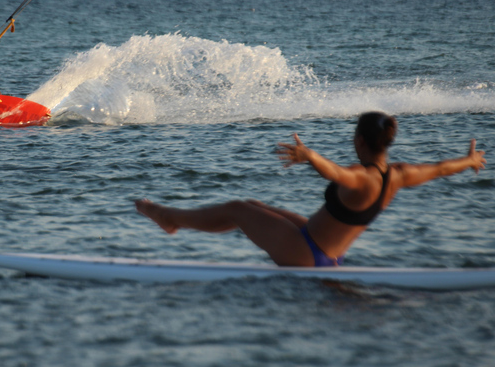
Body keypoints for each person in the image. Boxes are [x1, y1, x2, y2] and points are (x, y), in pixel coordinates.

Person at [135, 112, 486, 267]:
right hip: (321, 247)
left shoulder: (363, 178)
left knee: (237, 210)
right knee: (251, 204)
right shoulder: (399, 174)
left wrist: (310, 156)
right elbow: (440, 168)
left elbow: (336, 173)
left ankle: (168, 217)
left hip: (308, 253)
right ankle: (172, 219)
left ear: (361, 141)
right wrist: (469, 161)